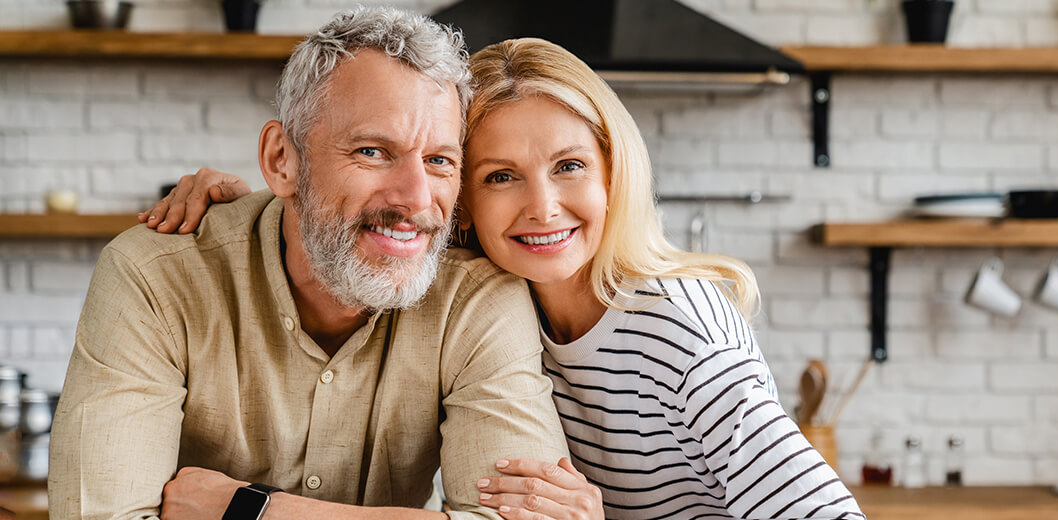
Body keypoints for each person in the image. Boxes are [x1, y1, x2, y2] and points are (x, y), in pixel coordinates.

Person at [146, 40, 866, 520]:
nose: (543, 206)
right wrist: (232, 202)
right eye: (500, 176)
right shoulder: (493, 303)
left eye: (571, 165)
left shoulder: (676, 326)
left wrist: (247, 509)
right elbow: (357, 192)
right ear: (462, 198)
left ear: (615, 171)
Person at [48, 7, 570, 520]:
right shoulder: (156, 277)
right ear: (282, 160)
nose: (415, 198)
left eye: (439, 160)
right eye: (372, 151)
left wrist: (255, 511)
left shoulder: (477, 297)